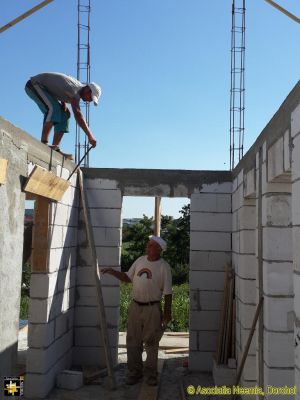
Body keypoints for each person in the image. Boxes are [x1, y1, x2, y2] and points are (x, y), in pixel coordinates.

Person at [101, 235, 172, 386]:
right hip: (135, 306)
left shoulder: (163, 267)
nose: (148, 247)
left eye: (151, 245)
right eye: (148, 244)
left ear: (159, 250)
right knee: (133, 341)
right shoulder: (140, 260)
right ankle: (134, 373)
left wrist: (167, 314)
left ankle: (151, 375)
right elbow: (127, 277)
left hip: (152, 308)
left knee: (151, 343)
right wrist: (112, 272)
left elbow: (168, 293)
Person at [25, 72, 101, 158]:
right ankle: (44, 142)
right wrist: (90, 136)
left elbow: (60, 87)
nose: (88, 101)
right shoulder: (75, 91)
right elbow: (78, 114)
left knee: (65, 114)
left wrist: (63, 104)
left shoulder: (77, 89)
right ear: (87, 89)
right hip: (34, 85)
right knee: (53, 109)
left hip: (44, 88)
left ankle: (55, 148)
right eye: (90, 98)